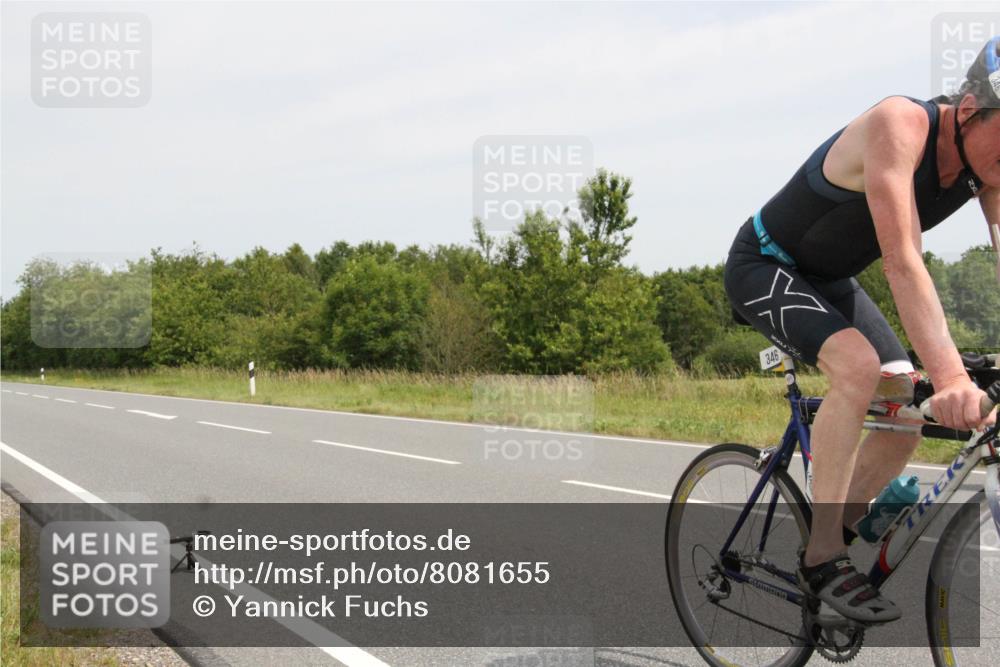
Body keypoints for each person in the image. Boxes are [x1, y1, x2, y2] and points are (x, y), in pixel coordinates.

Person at [724, 38, 1000, 623]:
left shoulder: (989, 170)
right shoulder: (899, 124)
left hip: (831, 281)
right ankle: (821, 556)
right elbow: (902, 260)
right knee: (859, 368)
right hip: (765, 265)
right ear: (973, 109)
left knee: (905, 415)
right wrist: (950, 375)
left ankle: (840, 537)